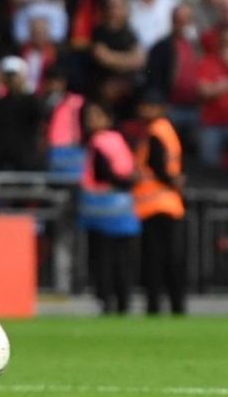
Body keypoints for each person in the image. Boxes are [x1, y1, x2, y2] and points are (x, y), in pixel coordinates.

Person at [77, 100, 140, 315]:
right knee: (122, 259)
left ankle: (108, 301)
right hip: (124, 209)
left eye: (96, 115)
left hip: (101, 210)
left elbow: (103, 173)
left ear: (108, 119)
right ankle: (124, 301)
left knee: (103, 259)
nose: (91, 120)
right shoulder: (120, 140)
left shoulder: (98, 142)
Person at [132, 90, 187, 315]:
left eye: (148, 106)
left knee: (155, 261)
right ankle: (177, 306)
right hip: (169, 203)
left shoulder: (155, 132)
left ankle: (155, 306)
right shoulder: (167, 131)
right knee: (171, 259)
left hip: (155, 204)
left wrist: (170, 181)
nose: (144, 111)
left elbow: (157, 166)